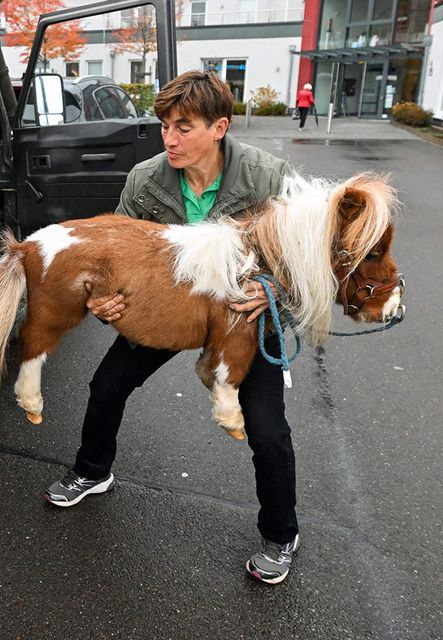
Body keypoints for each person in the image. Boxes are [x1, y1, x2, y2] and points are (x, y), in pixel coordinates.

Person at [43, 70, 302, 585]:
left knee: (268, 430)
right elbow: (110, 247)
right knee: (106, 385)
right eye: (164, 125)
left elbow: (302, 259)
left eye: (184, 127)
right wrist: (101, 296)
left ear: (220, 126)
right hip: (170, 310)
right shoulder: (146, 179)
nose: (170, 138)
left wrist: (272, 289)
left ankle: (281, 534)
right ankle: (93, 472)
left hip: (239, 316)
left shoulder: (268, 178)